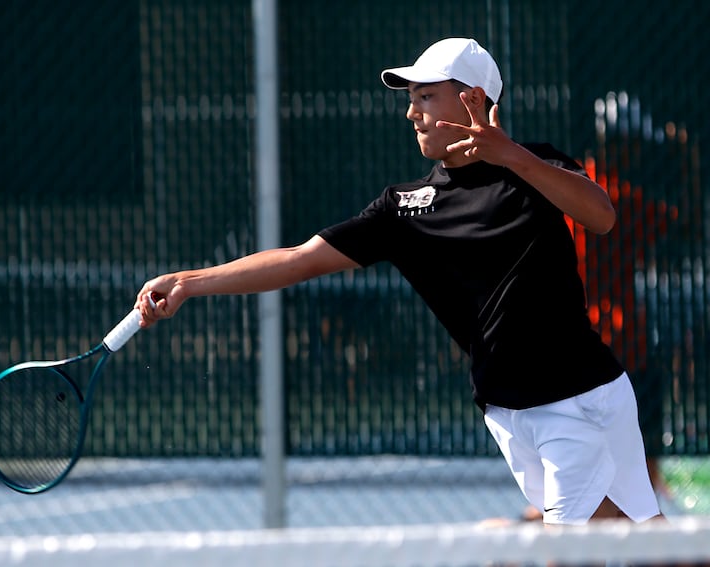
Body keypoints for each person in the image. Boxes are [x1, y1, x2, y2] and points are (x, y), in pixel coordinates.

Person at [135, 37, 663, 526]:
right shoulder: (404, 208)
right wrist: (188, 281)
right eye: (411, 99)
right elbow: (299, 258)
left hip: (577, 399)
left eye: (426, 97)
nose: (412, 113)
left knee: (567, 549)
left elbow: (601, 216)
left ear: (473, 99)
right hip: (507, 410)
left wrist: (509, 154)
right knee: (643, 534)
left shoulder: (537, 166)